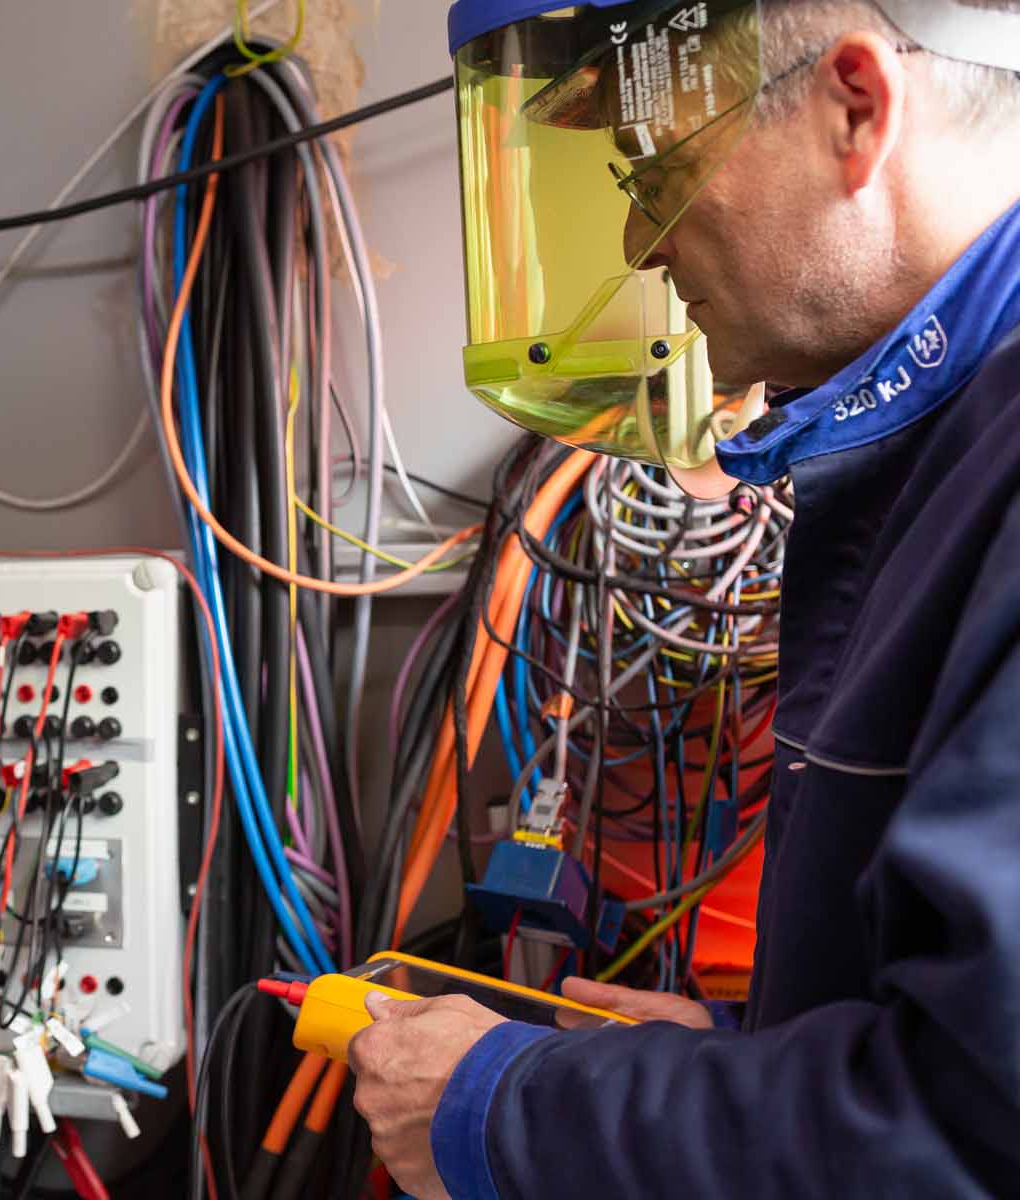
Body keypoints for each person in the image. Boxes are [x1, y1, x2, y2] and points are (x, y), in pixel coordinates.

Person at [349, 0, 1020, 1195]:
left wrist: (508, 1107)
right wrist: (742, 1065)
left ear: (855, 109)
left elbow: (964, 1133)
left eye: (654, 171)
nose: (641, 244)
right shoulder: (940, 447)